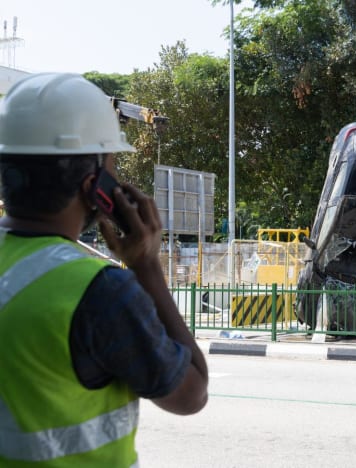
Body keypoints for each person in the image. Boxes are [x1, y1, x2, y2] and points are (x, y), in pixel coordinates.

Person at [0, 73, 208, 466]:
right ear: (94, 185)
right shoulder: (101, 292)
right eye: (112, 164)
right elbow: (191, 393)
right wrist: (146, 267)